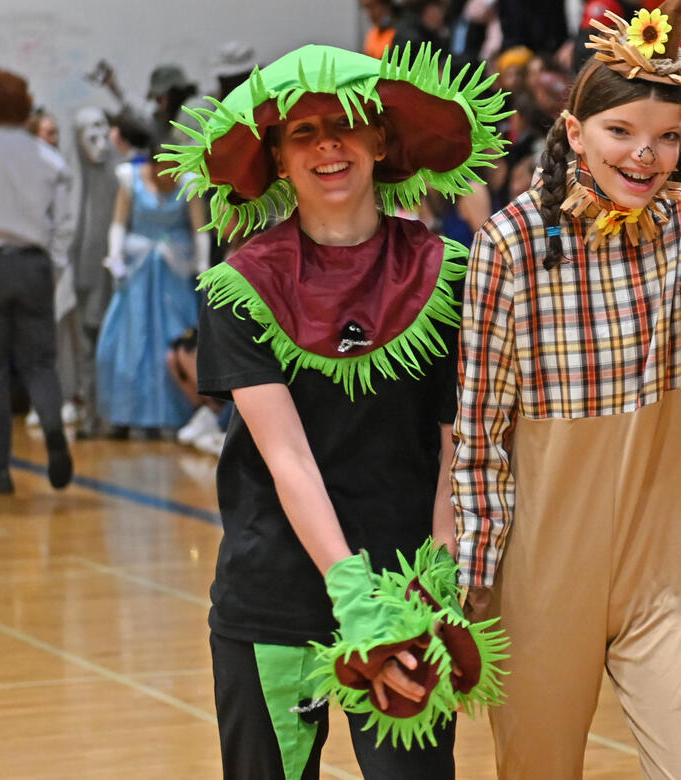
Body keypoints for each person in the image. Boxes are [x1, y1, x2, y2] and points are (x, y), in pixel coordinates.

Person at [451, 1, 681, 776]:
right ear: (574, 133)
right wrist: (469, 588)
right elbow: (479, 432)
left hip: (666, 552)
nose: (645, 156)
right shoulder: (512, 243)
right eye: (621, 132)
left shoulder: (678, 220)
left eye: (668, 137)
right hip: (542, 566)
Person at [159, 43, 509, 777]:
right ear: (278, 160)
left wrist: (438, 568)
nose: (328, 146)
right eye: (303, 133)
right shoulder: (240, 284)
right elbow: (287, 459)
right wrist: (351, 592)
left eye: (346, 124)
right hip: (277, 597)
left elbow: (459, 437)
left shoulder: (449, 270)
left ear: (381, 140)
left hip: (409, 594)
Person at [94, 137, 206, 436]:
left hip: (174, 271)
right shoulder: (131, 180)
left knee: (173, 335)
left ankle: (175, 415)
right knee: (131, 339)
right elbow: (119, 223)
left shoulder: (189, 183)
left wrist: (204, 267)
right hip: (139, 272)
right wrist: (115, 256)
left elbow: (199, 228)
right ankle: (125, 415)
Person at [0, 69, 74, 494]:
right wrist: (54, 269)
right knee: (41, 363)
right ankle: (53, 431)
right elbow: (63, 224)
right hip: (33, 264)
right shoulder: (48, 159)